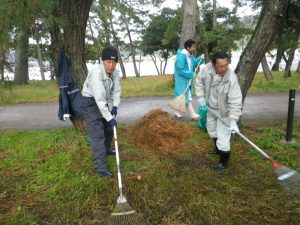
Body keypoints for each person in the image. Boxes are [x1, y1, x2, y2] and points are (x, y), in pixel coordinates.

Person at [195, 51, 242, 170]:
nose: (224, 68)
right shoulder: (207, 69)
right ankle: (217, 149)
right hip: (210, 108)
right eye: (220, 66)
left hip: (224, 112)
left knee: (223, 137)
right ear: (213, 65)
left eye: (226, 64)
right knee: (211, 130)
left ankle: (223, 162)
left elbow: (236, 100)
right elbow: (199, 80)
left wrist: (233, 120)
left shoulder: (231, 78)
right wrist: (200, 96)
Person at [81, 46, 121, 178]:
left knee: (109, 130)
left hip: (101, 102)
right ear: (102, 61)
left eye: (114, 62)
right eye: (108, 62)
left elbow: (116, 90)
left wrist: (115, 106)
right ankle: (101, 167)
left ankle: (107, 149)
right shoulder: (96, 73)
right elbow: (98, 98)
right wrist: (109, 118)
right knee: (98, 134)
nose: (111, 65)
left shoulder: (115, 72)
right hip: (90, 102)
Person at [174, 39, 205, 120]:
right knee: (186, 96)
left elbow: (195, 63)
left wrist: (201, 58)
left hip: (187, 79)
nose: (195, 48)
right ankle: (192, 115)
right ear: (188, 47)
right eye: (193, 47)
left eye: (195, 47)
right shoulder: (181, 56)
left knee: (183, 95)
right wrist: (191, 74)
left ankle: (177, 111)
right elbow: (180, 70)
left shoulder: (190, 56)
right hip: (182, 79)